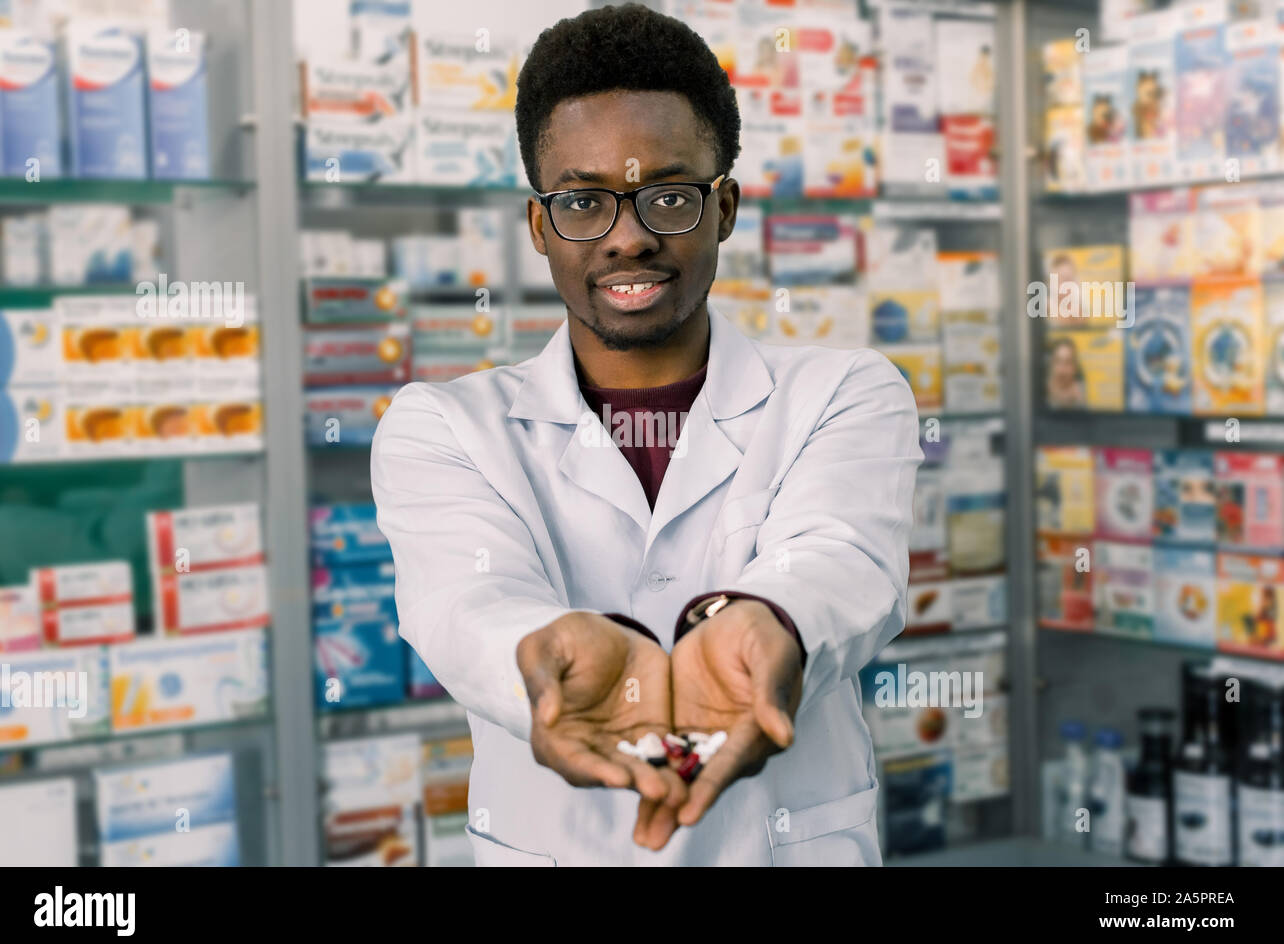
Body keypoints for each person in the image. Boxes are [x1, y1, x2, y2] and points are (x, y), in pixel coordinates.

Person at [371, 3, 921, 866]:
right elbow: (461, 604)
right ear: (540, 225)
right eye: (584, 201)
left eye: (668, 195)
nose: (628, 238)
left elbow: (842, 559)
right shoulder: (441, 427)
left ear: (725, 208)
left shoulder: (844, 391)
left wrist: (770, 623)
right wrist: (545, 652)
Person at [1046, 337, 1086, 409]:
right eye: (1057, 361)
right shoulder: (1039, 396)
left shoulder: (1081, 394)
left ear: (1075, 368)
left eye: (1068, 363)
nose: (1062, 370)